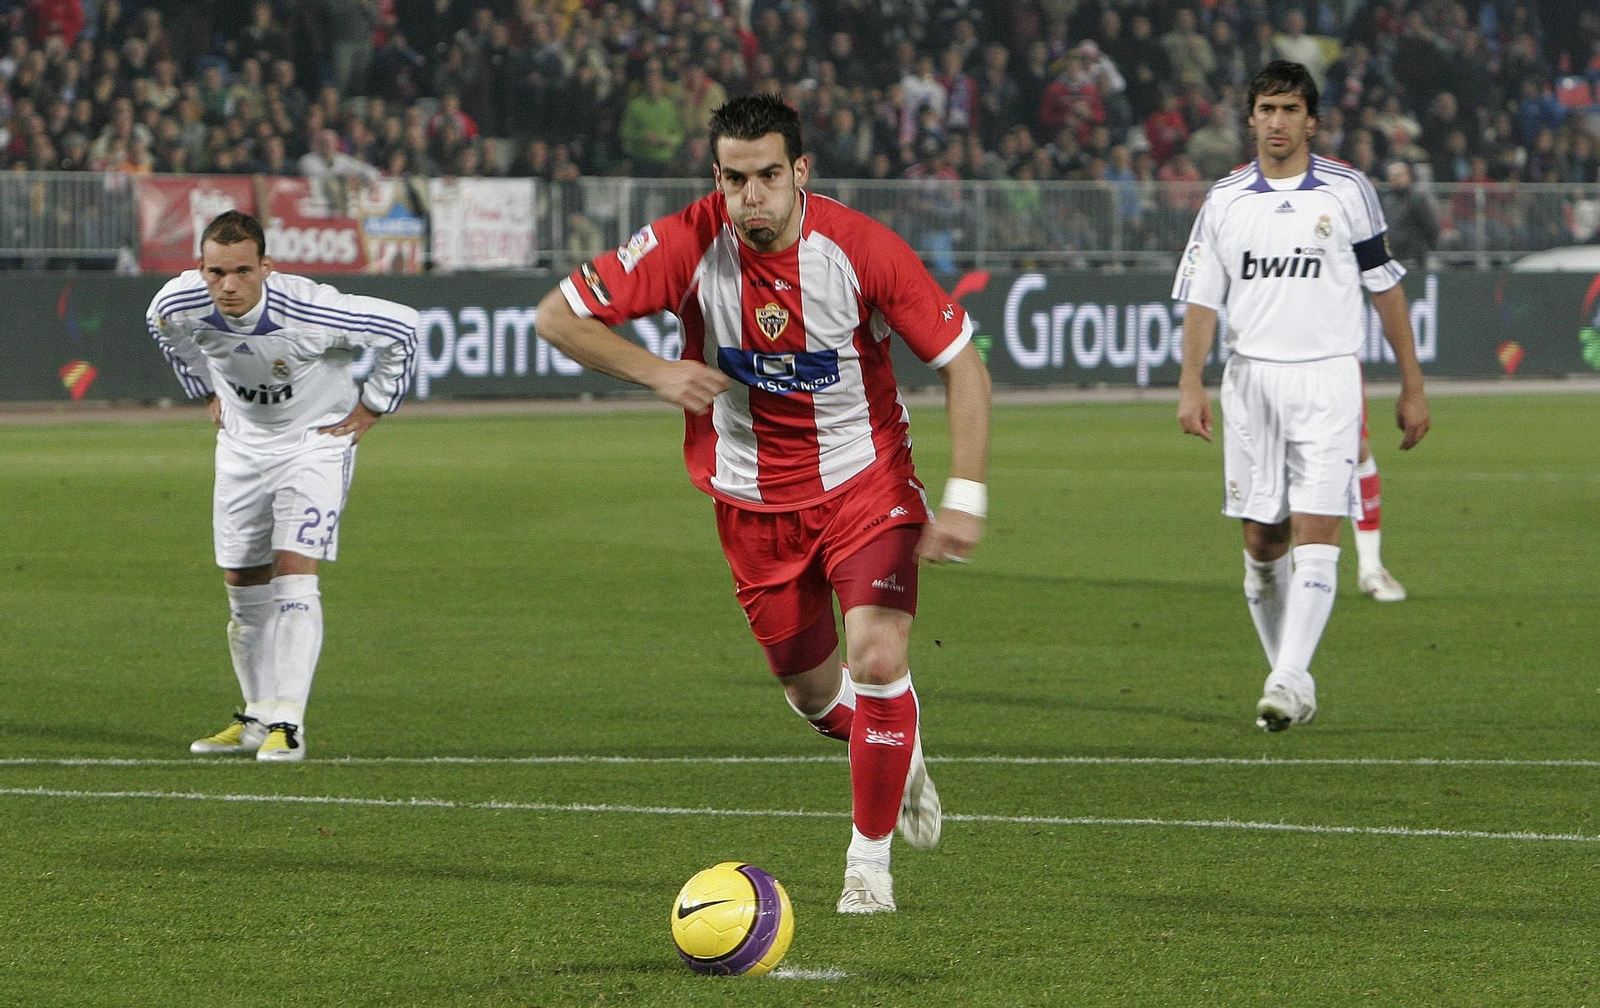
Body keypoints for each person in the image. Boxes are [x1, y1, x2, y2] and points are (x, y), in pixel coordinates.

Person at [535, 94, 991, 913]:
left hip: (866, 481)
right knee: (814, 695)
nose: (753, 195)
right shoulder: (683, 243)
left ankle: (868, 867)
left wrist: (963, 495)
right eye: (736, 178)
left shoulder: (861, 249)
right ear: (717, 177)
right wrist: (657, 372)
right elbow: (557, 318)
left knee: (878, 660)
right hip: (751, 501)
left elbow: (964, 363)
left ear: (800, 172)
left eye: (769, 175)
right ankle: (896, 748)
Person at [1173, 61, 1430, 732]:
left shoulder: (1348, 191)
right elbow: (1203, 296)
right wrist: (1189, 382)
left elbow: (1386, 286)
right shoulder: (1226, 198)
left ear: (1310, 120)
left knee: (1319, 527)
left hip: (1328, 380)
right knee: (1262, 541)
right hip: (1250, 382)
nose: (1278, 121)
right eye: (1267, 109)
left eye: (1291, 109)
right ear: (1251, 118)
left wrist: (1412, 383)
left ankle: (1286, 681)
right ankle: (1293, 677)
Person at [147, 210, 419, 761]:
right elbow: (169, 336)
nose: (228, 284)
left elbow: (405, 328)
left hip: (314, 443)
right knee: (243, 583)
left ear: (266, 267)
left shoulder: (313, 308)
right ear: (199, 267)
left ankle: (288, 726)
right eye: (216, 271)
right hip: (243, 446)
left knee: (294, 569)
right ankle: (255, 718)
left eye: (243, 270)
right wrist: (205, 391)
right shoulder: (176, 302)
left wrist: (373, 408)